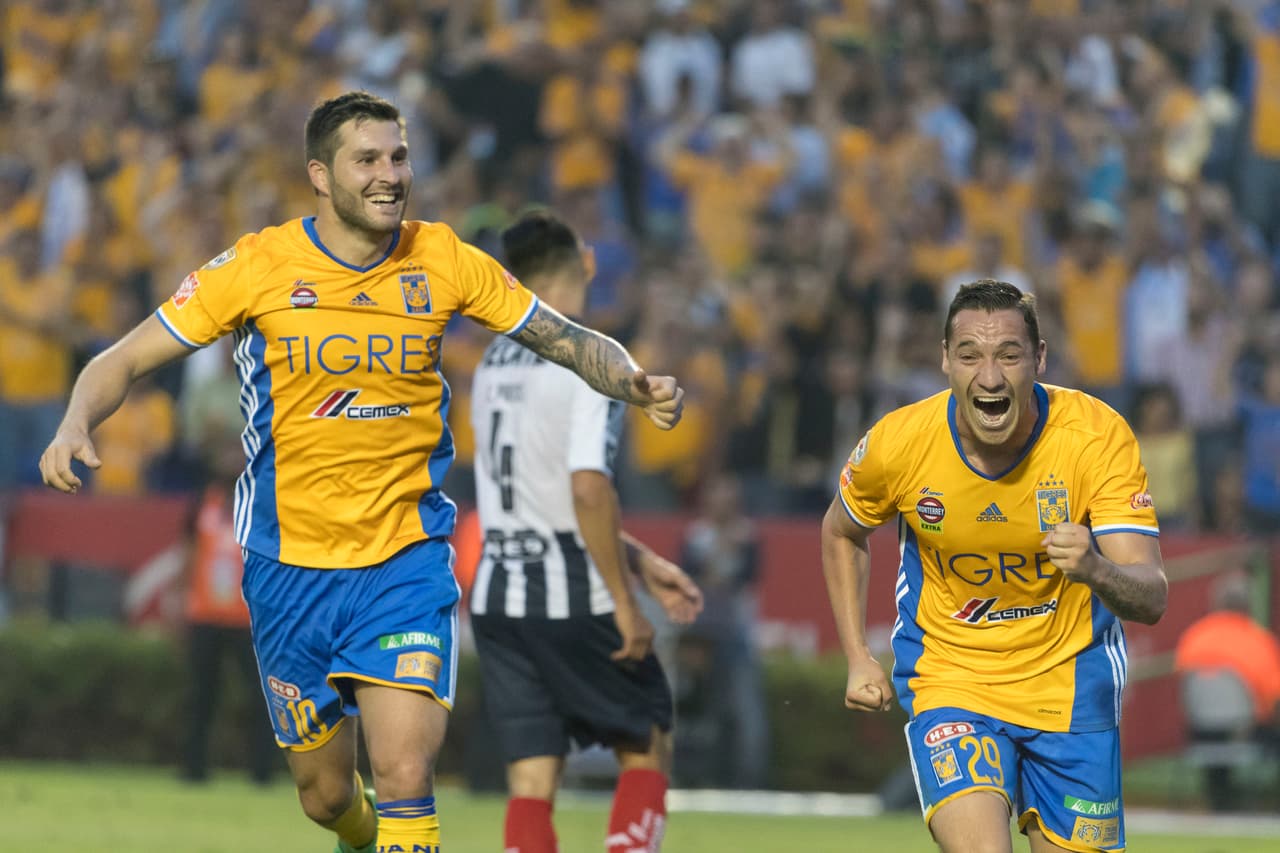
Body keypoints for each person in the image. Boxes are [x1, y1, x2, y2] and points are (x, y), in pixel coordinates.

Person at [38, 91, 684, 853]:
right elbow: (127, 356)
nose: (389, 175)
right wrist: (77, 418)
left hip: (403, 560)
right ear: (320, 174)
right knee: (325, 795)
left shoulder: (439, 256)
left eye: (399, 157)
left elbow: (560, 334)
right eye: (367, 160)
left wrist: (632, 379)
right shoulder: (257, 267)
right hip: (288, 567)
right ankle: (359, 832)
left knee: (406, 767)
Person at [821, 279, 1167, 852]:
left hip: (1071, 687)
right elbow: (840, 530)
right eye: (970, 355)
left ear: (1039, 359)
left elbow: (1152, 596)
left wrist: (1096, 570)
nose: (989, 377)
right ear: (944, 361)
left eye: (1009, 355)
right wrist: (857, 656)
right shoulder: (901, 442)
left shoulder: (1095, 436)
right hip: (952, 679)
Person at [468, 209, 703, 853]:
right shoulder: (592, 360)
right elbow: (584, 487)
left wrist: (639, 559)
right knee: (647, 740)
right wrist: (626, 604)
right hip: (571, 589)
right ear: (587, 264)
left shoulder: (492, 362)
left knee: (532, 778)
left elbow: (537, 495)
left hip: (498, 595)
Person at [178, 427, 277, 786]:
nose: (232, 461)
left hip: (248, 620)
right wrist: (181, 600)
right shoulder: (203, 502)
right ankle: (194, 770)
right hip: (205, 616)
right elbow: (188, 553)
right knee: (202, 698)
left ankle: (262, 773)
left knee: (262, 699)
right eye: (226, 454)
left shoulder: (264, 504)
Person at [1174, 569, 1280, 811]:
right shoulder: (1258, 640)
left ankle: (1219, 800)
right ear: (1249, 605)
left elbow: (1184, 685)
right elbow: (1273, 696)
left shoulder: (1194, 636)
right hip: (1245, 729)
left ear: (1217, 603)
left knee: (1218, 728)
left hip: (1201, 728)